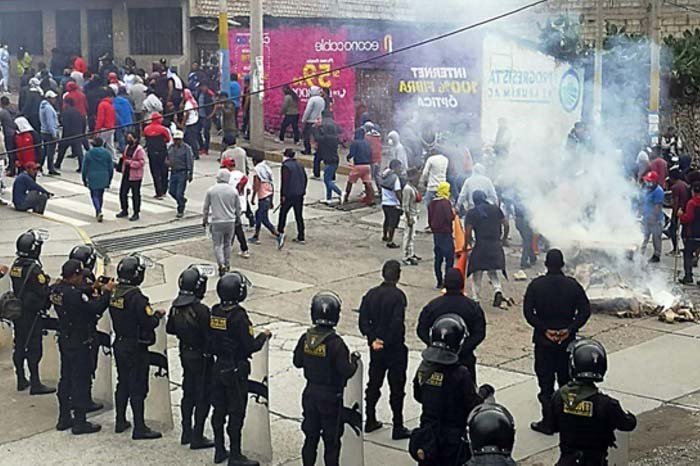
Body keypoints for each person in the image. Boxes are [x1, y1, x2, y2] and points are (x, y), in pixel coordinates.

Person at [523, 249, 591, 435]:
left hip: (543, 343)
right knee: (567, 383)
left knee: (545, 385)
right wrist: (569, 329)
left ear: (546, 264)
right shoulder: (572, 285)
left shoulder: (536, 285)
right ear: (562, 265)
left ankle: (548, 422)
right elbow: (585, 311)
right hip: (566, 343)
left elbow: (528, 313)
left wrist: (545, 330)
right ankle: (567, 421)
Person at [209, 272, 272, 465]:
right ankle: (235, 455)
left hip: (218, 366)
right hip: (235, 369)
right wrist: (263, 336)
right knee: (236, 412)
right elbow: (249, 345)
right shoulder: (239, 316)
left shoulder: (215, 311)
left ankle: (219, 449)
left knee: (218, 409)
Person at [293, 291, 360, 466]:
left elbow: (297, 362)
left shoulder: (305, 338)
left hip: (310, 394)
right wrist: (354, 361)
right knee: (331, 442)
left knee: (310, 438)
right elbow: (346, 371)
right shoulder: (336, 343)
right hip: (330, 397)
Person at [548, 339, 637, 465]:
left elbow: (552, 426)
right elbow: (627, 424)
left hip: (567, 460)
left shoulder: (558, 397)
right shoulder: (607, 404)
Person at [411, 314, 484, 466]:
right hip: (453, 441)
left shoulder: (424, 368)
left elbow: (418, 395)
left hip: (428, 438)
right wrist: (483, 393)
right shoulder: (460, 374)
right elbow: (472, 405)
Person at [51, 258, 112, 435]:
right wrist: (106, 293)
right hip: (79, 341)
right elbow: (95, 309)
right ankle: (80, 422)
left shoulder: (56, 290)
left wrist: (93, 287)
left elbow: (76, 294)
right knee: (80, 380)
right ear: (76, 275)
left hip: (65, 339)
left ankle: (64, 417)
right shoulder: (75, 295)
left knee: (66, 378)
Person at [109, 254, 165, 440]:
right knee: (138, 386)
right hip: (135, 347)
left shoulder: (115, 293)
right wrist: (157, 316)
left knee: (123, 382)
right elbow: (148, 322)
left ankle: (120, 420)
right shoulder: (137, 297)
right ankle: (139, 427)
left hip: (119, 343)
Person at [358, 260, 412, 439]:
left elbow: (363, 321)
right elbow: (397, 324)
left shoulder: (370, 295)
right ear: (398, 275)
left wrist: (374, 339)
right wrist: (385, 341)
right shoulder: (398, 297)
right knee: (397, 387)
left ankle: (370, 418)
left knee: (374, 383)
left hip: (376, 349)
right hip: (394, 348)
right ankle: (398, 425)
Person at [166, 266, 215, 449]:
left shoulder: (175, 307)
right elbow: (210, 336)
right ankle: (197, 435)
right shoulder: (201, 310)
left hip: (185, 353)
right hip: (202, 357)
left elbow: (170, 328)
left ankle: (186, 430)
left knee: (188, 392)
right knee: (203, 395)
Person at [417, 268, 486, 383]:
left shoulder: (433, 306)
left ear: (445, 284)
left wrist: (435, 347)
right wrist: (462, 349)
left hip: (436, 361)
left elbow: (421, 330)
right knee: (466, 396)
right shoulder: (472, 307)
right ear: (462, 284)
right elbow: (479, 333)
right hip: (464, 360)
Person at [9, 230, 55, 395]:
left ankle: (21, 378)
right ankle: (35, 383)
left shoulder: (16, 265)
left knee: (19, 345)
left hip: (18, 312)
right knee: (34, 347)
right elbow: (42, 291)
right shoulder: (34, 269)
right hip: (32, 314)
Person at [464, 190, 508, 306]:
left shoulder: (472, 213)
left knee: (476, 272)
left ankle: (475, 298)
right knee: (492, 270)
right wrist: (503, 239)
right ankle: (498, 290)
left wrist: (466, 245)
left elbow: (467, 232)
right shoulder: (495, 209)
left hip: (481, 245)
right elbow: (506, 224)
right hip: (495, 244)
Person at [203, 169, 241, 276]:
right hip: (230, 221)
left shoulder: (211, 190)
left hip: (216, 221)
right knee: (227, 243)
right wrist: (238, 218)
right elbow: (238, 208)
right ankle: (227, 263)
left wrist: (204, 220)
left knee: (217, 244)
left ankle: (221, 264)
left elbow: (206, 207)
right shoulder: (233, 191)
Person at [278, 148, 308, 249]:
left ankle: (280, 231)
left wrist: (282, 195)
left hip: (290, 194)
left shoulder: (286, 166)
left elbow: (284, 182)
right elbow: (305, 178)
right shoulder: (300, 165)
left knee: (283, 213)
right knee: (298, 215)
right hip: (299, 194)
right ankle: (301, 235)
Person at [221, 158, 251, 258]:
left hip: (231, 205)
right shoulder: (242, 175)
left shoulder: (227, 177)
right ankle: (233, 246)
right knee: (235, 226)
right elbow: (249, 190)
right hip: (242, 205)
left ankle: (242, 248)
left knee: (235, 227)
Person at [428, 181, 455, 289]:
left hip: (436, 234)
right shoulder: (445, 203)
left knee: (438, 258)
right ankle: (448, 280)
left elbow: (430, 219)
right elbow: (450, 217)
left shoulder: (431, 203)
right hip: (445, 233)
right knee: (449, 258)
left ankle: (439, 281)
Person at [250, 154, 281, 245]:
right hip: (269, 194)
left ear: (255, 161)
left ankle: (257, 236)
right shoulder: (267, 169)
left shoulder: (257, 170)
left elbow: (256, 185)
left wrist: (252, 197)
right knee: (263, 217)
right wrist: (271, 200)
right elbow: (272, 184)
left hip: (262, 196)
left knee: (259, 215)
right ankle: (275, 233)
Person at [82, 138, 114, 222]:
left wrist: (84, 179)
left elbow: (84, 168)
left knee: (94, 195)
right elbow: (111, 168)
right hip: (104, 176)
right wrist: (110, 179)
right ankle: (99, 209)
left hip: (92, 176)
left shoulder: (89, 154)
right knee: (101, 194)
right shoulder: (107, 153)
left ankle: (98, 210)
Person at [116, 132, 145, 222]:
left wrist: (131, 163)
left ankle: (136, 212)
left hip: (135, 175)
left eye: (130, 138)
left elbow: (142, 162)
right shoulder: (127, 147)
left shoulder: (139, 150)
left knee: (135, 194)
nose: (128, 140)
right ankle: (124, 209)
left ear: (135, 139)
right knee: (123, 193)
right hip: (126, 173)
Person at [167, 129, 195, 219]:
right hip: (173, 171)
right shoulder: (171, 147)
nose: (176, 141)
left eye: (178, 139)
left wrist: (190, 173)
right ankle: (182, 200)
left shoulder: (187, 148)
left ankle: (180, 209)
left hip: (182, 172)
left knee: (179, 192)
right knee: (171, 191)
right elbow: (167, 157)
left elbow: (190, 161)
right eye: (175, 139)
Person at [143, 112, 171, 199]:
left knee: (155, 172)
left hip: (151, 153)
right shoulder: (163, 129)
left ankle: (158, 191)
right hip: (162, 152)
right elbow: (168, 139)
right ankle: (164, 190)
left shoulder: (146, 129)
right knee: (164, 171)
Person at [315, 117, 342, 203]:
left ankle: (340, 193)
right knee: (328, 180)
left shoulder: (326, 138)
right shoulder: (335, 138)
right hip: (335, 160)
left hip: (329, 161)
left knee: (327, 180)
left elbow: (317, 137)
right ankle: (328, 198)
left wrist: (317, 127)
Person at [344, 127, 374, 205]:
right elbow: (371, 154)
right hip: (367, 165)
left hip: (358, 165)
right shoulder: (367, 143)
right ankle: (370, 198)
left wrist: (348, 158)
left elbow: (352, 154)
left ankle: (346, 197)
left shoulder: (355, 143)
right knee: (367, 183)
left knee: (350, 182)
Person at [641, 171, 664, 263]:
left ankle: (656, 255)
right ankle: (639, 253)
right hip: (646, 218)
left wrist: (653, 218)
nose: (648, 182)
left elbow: (657, 207)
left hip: (655, 220)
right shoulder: (647, 188)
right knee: (644, 237)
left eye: (650, 181)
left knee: (656, 238)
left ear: (655, 181)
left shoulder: (658, 191)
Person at [679, 183, 700, 284]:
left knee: (687, 254)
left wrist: (681, 216)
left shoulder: (691, 203)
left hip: (692, 233)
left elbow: (689, 218)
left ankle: (688, 276)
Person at [56, 97, 84, 172]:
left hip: (68, 134)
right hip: (77, 134)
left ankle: (57, 164)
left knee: (61, 150)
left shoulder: (66, 112)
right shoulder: (78, 112)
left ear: (67, 103)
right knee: (79, 152)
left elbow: (65, 125)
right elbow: (83, 122)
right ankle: (82, 166)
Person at [380, 159, 403, 248]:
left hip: (384, 202)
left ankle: (385, 236)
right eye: (399, 167)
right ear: (395, 167)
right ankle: (390, 241)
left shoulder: (384, 174)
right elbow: (397, 191)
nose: (400, 169)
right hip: (392, 203)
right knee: (392, 223)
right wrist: (401, 202)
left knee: (386, 220)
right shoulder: (395, 178)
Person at [666, 169, 689, 256]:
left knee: (672, 230)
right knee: (684, 232)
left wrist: (674, 214)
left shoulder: (675, 187)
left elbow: (675, 201)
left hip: (678, 212)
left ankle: (676, 249)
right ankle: (687, 249)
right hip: (685, 210)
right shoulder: (684, 184)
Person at [401, 168, 421, 266]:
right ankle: (405, 257)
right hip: (410, 216)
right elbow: (405, 205)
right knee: (407, 237)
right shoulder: (407, 189)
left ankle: (411, 253)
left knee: (412, 237)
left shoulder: (413, 187)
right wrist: (409, 218)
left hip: (414, 215)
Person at [39, 89, 60, 175]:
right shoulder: (48, 108)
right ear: (49, 98)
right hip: (49, 132)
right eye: (53, 98)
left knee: (45, 151)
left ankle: (40, 165)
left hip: (44, 131)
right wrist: (54, 133)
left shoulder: (42, 106)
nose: (54, 100)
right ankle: (50, 168)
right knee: (50, 151)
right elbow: (50, 121)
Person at [301, 86, 325, 156]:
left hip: (310, 120)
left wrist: (304, 119)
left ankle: (307, 150)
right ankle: (318, 151)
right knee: (317, 137)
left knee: (306, 136)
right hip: (318, 120)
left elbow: (308, 110)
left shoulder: (312, 99)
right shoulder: (321, 99)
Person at [95, 88, 117, 160]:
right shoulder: (110, 105)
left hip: (104, 128)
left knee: (99, 144)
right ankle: (113, 158)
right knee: (110, 145)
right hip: (111, 127)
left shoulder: (102, 105)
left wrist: (97, 129)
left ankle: (98, 157)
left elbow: (100, 118)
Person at [197, 82, 215, 155]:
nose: (203, 88)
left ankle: (206, 148)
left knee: (206, 133)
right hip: (200, 116)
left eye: (204, 86)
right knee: (197, 132)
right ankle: (201, 147)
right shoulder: (199, 93)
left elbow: (215, 104)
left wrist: (211, 114)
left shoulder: (210, 94)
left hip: (207, 116)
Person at [113, 87, 134, 154]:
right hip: (128, 121)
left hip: (120, 123)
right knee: (128, 135)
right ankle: (129, 148)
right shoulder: (126, 101)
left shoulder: (114, 103)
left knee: (121, 137)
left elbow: (115, 114)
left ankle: (122, 149)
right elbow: (131, 111)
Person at [181, 88, 200, 157]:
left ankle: (195, 154)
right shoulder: (192, 101)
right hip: (194, 121)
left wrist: (183, 124)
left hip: (191, 123)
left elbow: (187, 114)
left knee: (191, 140)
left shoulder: (188, 104)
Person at [0, 97, 17, 175]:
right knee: (15, 152)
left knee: (10, 152)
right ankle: (11, 166)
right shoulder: (13, 109)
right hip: (16, 132)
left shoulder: (3, 112)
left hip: (8, 134)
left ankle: (12, 170)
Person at [365, 123, 383, 193]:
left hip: (371, 158)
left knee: (368, 177)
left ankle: (370, 192)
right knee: (377, 175)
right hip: (379, 158)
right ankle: (380, 189)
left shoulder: (367, 136)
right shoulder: (378, 136)